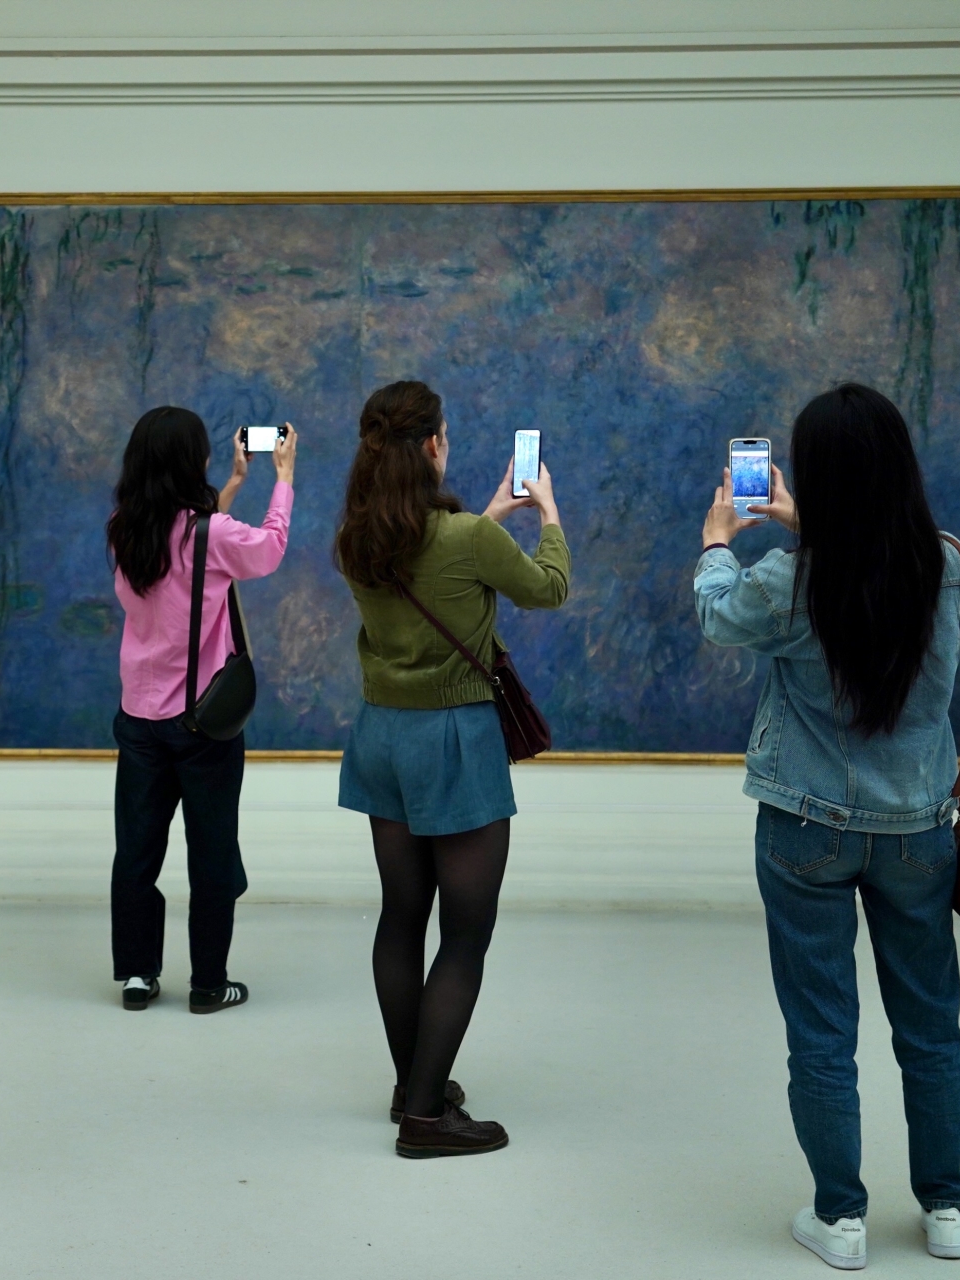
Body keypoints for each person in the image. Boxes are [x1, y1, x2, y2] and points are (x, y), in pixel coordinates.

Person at [695, 383, 960, 1269]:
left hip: (804, 827)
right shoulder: (947, 565)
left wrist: (717, 541)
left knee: (822, 1032)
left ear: (815, 475)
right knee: (930, 1026)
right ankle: (947, 1210)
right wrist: (804, 524)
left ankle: (841, 1220)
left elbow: (717, 615)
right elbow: (871, 563)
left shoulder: (789, 580)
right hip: (917, 830)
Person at [333, 379, 568, 1158]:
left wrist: (487, 518)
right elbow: (548, 589)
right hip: (455, 744)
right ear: (434, 444)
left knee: (401, 917)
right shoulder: (467, 538)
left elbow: (430, 567)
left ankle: (413, 1085)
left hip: (382, 740)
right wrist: (547, 515)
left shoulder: (359, 536)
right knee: (465, 935)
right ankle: (428, 1120)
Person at [106, 408, 296, 1014]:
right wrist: (283, 479)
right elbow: (267, 550)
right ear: (191, 462)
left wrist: (235, 483)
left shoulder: (124, 529)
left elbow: (194, 542)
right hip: (200, 725)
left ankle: (138, 976)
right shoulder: (209, 535)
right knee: (212, 854)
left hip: (139, 720)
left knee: (137, 851)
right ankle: (209, 985)